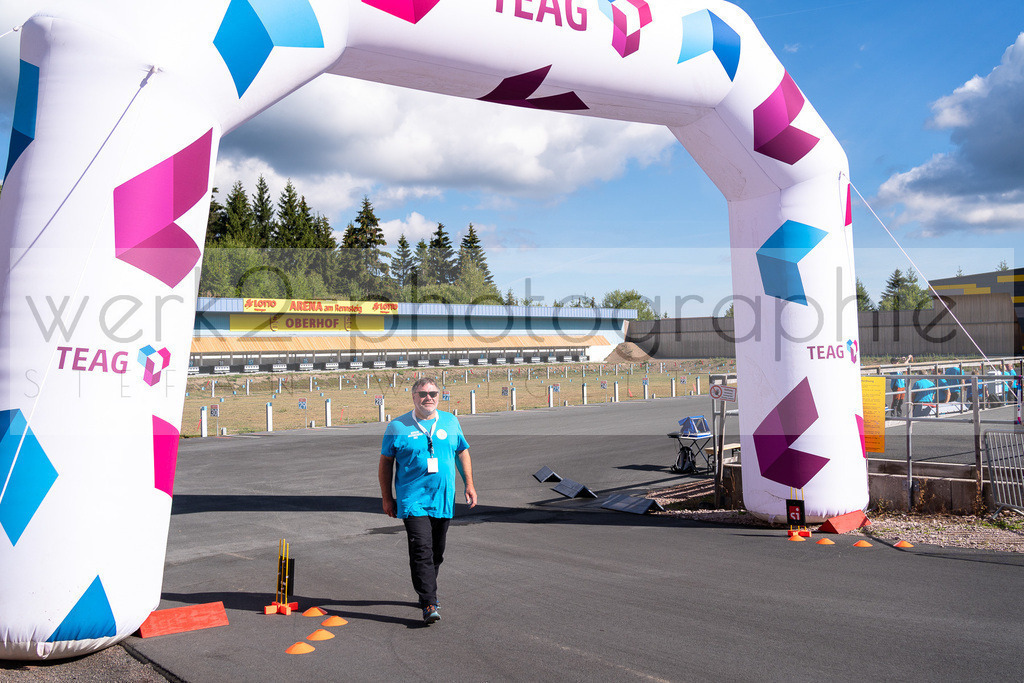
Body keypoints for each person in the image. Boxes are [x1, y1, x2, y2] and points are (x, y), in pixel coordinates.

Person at [379, 377, 477, 624]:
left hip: (443, 498)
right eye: (423, 393)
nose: (428, 398)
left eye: (433, 393)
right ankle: (429, 601)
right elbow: (385, 463)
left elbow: (462, 451)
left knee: (436, 552)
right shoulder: (397, 427)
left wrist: (469, 484)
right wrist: (387, 497)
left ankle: (427, 590)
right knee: (421, 548)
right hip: (412, 499)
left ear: (439, 395)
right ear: (413, 397)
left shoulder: (450, 421)